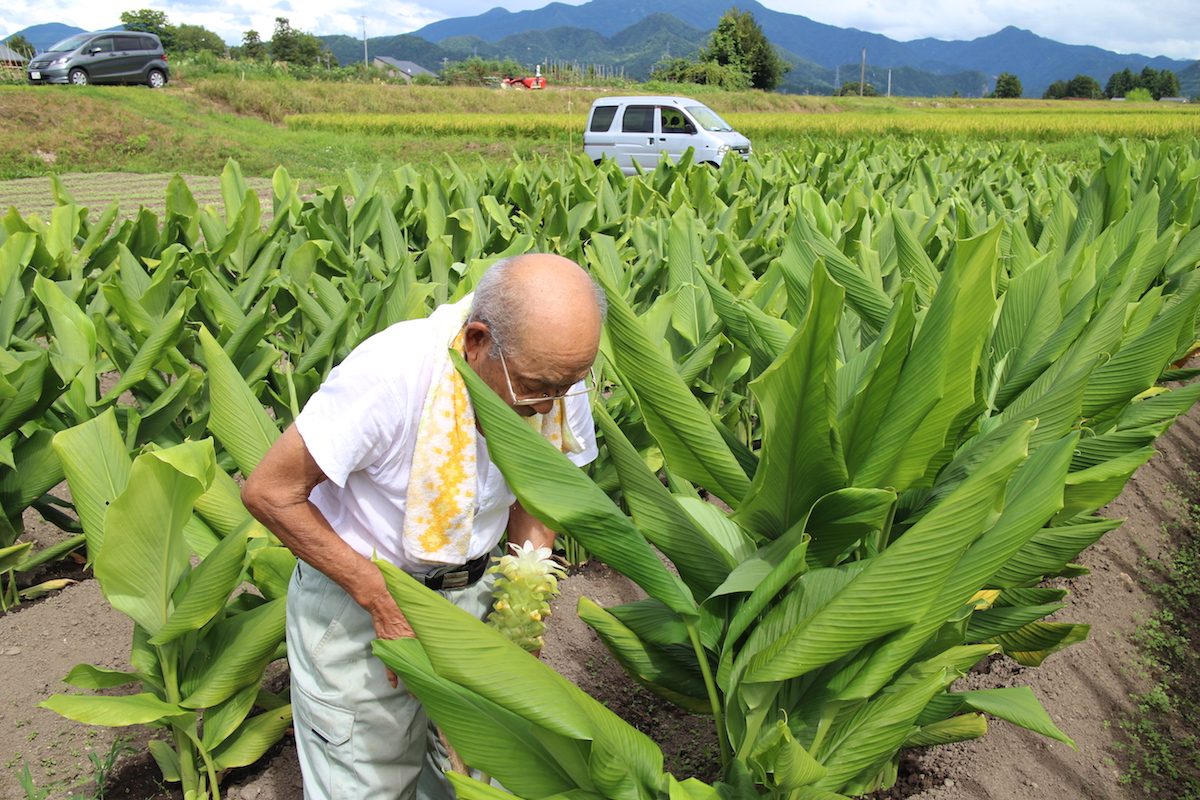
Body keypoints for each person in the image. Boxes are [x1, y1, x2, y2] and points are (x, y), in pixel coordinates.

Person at [241, 254, 605, 800]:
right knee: (366, 779)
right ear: (477, 341)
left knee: (470, 776)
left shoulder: (553, 378)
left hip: (479, 594)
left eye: (570, 384)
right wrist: (379, 599)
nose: (553, 405)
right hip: (359, 597)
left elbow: (539, 494)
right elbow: (270, 492)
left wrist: (524, 603)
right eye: (538, 387)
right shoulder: (393, 373)